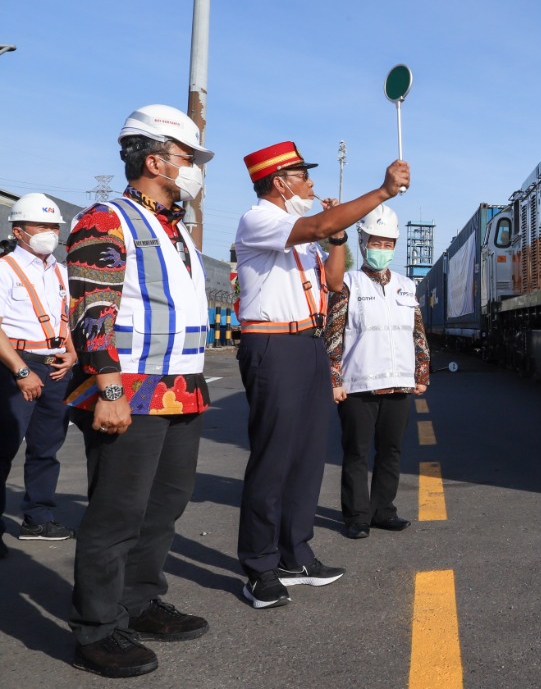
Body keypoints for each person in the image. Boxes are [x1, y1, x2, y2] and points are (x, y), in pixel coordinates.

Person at [63, 105, 215, 679]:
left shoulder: (175, 229)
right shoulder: (107, 220)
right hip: (127, 388)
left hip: (182, 390)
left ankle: (140, 600)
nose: (195, 169)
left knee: (164, 506)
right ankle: (97, 630)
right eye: (188, 158)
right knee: (116, 513)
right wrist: (107, 386)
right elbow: (93, 309)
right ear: (155, 161)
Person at [234, 142, 410, 609]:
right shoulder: (261, 220)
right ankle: (259, 566)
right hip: (272, 342)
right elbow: (317, 223)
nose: (311, 184)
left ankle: (297, 554)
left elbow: (334, 282)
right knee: (273, 458)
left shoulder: (303, 234)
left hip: (308, 342)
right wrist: (381, 193)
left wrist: (336, 240)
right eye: (303, 176)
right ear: (280, 182)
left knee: (308, 456)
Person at [324, 204, 429, 540]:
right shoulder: (348, 284)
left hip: (398, 383)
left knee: (391, 451)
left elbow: (417, 333)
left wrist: (422, 373)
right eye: (375, 242)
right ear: (363, 241)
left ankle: (383, 510)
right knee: (356, 452)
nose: (381, 249)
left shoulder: (405, 285)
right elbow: (333, 334)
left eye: (387, 244)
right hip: (358, 385)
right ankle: (356, 516)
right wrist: (334, 379)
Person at [0, 193, 76, 558]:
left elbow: (69, 317)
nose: (50, 232)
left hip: (56, 365)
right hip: (15, 364)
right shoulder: (4, 268)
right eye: (42, 226)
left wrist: (72, 350)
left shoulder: (60, 271)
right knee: (3, 448)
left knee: (47, 447)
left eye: (54, 226)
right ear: (19, 231)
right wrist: (22, 369)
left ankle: (38, 518)